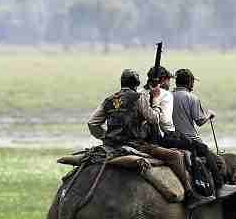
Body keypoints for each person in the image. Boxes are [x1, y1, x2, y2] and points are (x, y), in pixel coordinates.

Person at [87, 69, 214, 209]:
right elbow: (154, 119)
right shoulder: (138, 97)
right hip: (136, 145)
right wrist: (156, 103)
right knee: (176, 156)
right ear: (136, 84)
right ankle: (190, 194)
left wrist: (106, 137)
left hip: (111, 146)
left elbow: (92, 123)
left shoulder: (110, 100)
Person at [171, 68, 236, 197]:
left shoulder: (168, 96)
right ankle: (220, 186)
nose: (193, 85)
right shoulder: (191, 98)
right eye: (192, 82)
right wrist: (209, 115)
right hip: (189, 139)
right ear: (189, 82)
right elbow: (199, 121)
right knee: (215, 160)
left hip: (171, 138)